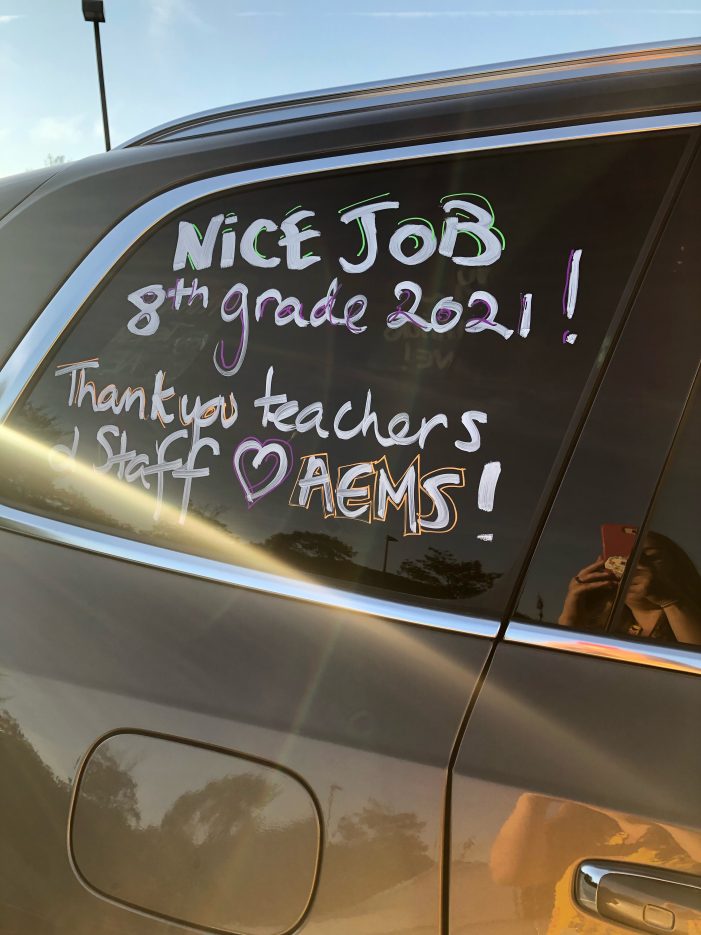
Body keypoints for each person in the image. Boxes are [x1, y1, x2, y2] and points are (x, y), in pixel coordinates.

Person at [558, 531, 701, 645]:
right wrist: (571, 617)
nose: (635, 565)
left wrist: (669, 601)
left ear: (679, 567)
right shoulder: (605, 625)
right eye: (622, 559)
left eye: (652, 556)